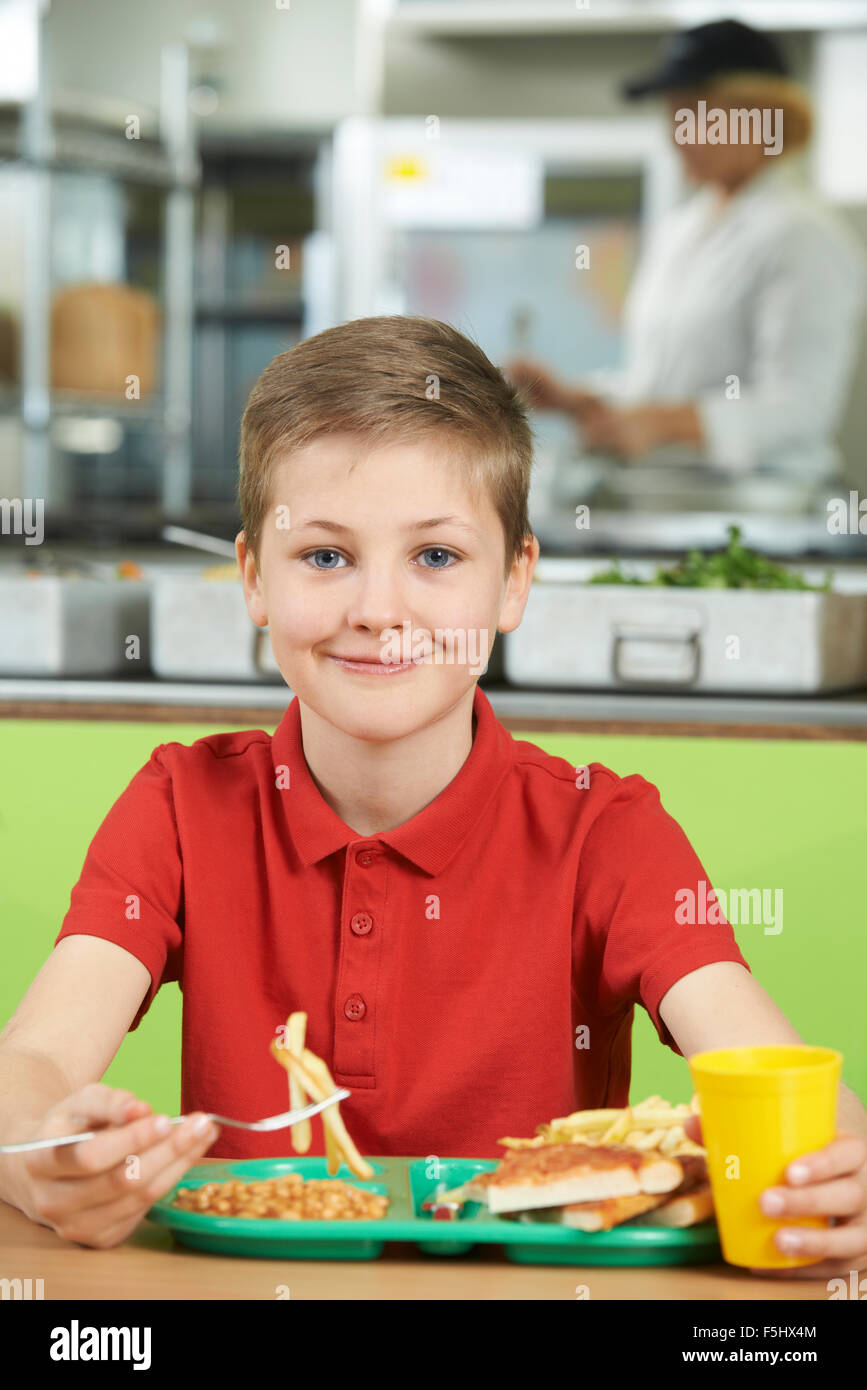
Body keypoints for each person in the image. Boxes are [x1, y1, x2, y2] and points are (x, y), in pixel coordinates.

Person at [0, 316, 865, 1277]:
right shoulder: (180, 804)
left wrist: (832, 1167)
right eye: (324, 556)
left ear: (514, 581)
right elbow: (28, 1066)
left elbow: (774, 1077)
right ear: (252, 577)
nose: (378, 610)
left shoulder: (606, 833)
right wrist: (44, 1150)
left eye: (437, 557)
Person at [508, 19, 867, 481]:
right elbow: (656, 384)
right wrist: (577, 399)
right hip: (668, 493)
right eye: (673, 115)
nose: (678, 137)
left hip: (766, 503)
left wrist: (664, 424)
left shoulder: (806, 236)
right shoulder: (682, 228)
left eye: (695, 114)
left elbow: (801, 407)